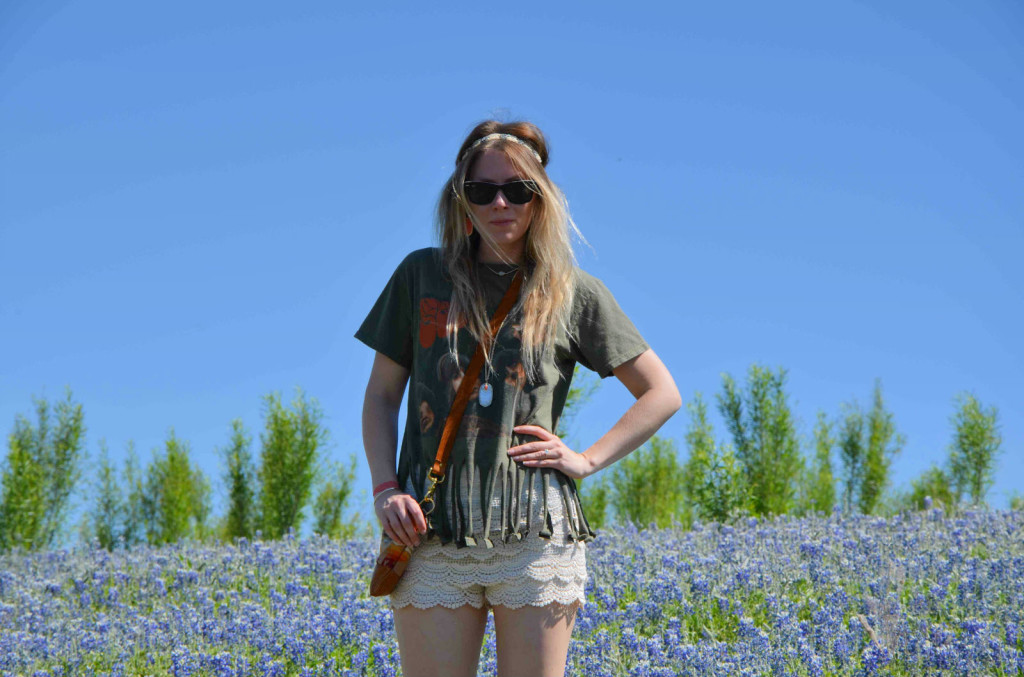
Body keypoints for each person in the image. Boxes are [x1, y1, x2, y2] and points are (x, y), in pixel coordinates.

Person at [356, 120, 681, 677]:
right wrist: (385, 487)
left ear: (541, 198)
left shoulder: (572, 291)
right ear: (462, 199)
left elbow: (661, 393)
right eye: (482, 190)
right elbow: (382, 397)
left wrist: (585, 460)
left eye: (518, 189)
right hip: (430, 525)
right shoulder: (420, 276)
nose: (500, 202)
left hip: (535, 531)